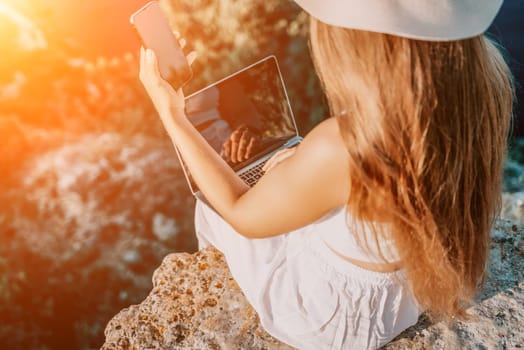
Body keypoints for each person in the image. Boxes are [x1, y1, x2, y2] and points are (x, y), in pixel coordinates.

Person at [138, 0, 513, 348]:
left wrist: (172, 113)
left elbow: (239, 211)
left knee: (211, 207)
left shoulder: (346, 144)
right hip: (410, 286)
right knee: (283, 163)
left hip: (336, 319)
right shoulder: (486, 82)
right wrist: (300, 166)